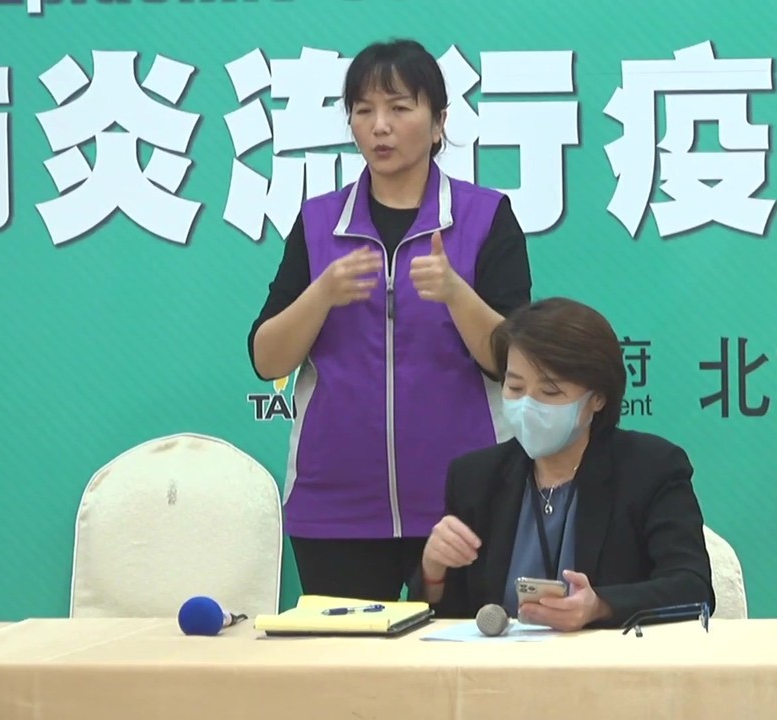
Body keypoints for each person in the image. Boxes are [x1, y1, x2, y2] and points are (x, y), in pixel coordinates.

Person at [247, 38, 531, 602]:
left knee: (464, 654)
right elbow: (267, 359)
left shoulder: (485, 217)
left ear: (438, 122)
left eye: (400, 108)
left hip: (462, 506)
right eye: (364, 110)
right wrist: (322, 294)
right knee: (345, 659)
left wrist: (455, 293)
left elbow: (512, 362)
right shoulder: (320, 223)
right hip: (335, 508)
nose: (380, 126)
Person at [416, 298, 714, 631]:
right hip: (499, 662)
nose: (527, 405)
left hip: (609, 660)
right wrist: (433, 570)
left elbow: (692, 587)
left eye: (550, 392)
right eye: (515, 387)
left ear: (597, 398)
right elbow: (447, 618)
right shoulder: (475, 477)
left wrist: (599, 606)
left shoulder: (650, 468)